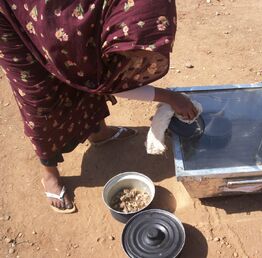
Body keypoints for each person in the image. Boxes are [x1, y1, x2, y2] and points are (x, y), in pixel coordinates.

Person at [0, 1, 197, 213]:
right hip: (15, 16)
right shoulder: (71, 36)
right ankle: (49, 173)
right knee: (40, 101)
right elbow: (102, 84)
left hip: (67, 26)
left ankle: (98, 133)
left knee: (89, 72)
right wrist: (170, 97)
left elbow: (100, 80)